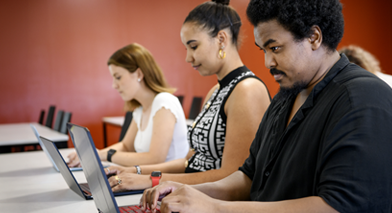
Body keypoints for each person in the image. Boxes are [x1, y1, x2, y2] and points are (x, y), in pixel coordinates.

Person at [141, 0, 392, 212]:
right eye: (263, 50)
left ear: (314, 37)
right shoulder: (287, 95)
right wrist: (189, 191)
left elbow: (335, 207)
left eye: (275, 48)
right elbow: (249, 177)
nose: (267, 62)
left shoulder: (361, 99)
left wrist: (215, 207)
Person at [103, 0, 271, 193]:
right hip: (190, 194)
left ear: (221, 39)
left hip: (210, 201)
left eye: (194, 46)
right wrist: (134, 171)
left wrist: (151, 181)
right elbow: (190, 161)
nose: (188, 58)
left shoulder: (247, 90)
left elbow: (233, 177)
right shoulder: (215, 91)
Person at [67, 43, 189, 167]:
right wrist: (93, 153)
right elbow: (126, 146)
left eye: (118, 77)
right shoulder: (140, 110)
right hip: (149, 180)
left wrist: (106, 155)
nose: (114, 85)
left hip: (168, 184)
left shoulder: (164, 101)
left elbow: (156, 158)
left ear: (139, 74)